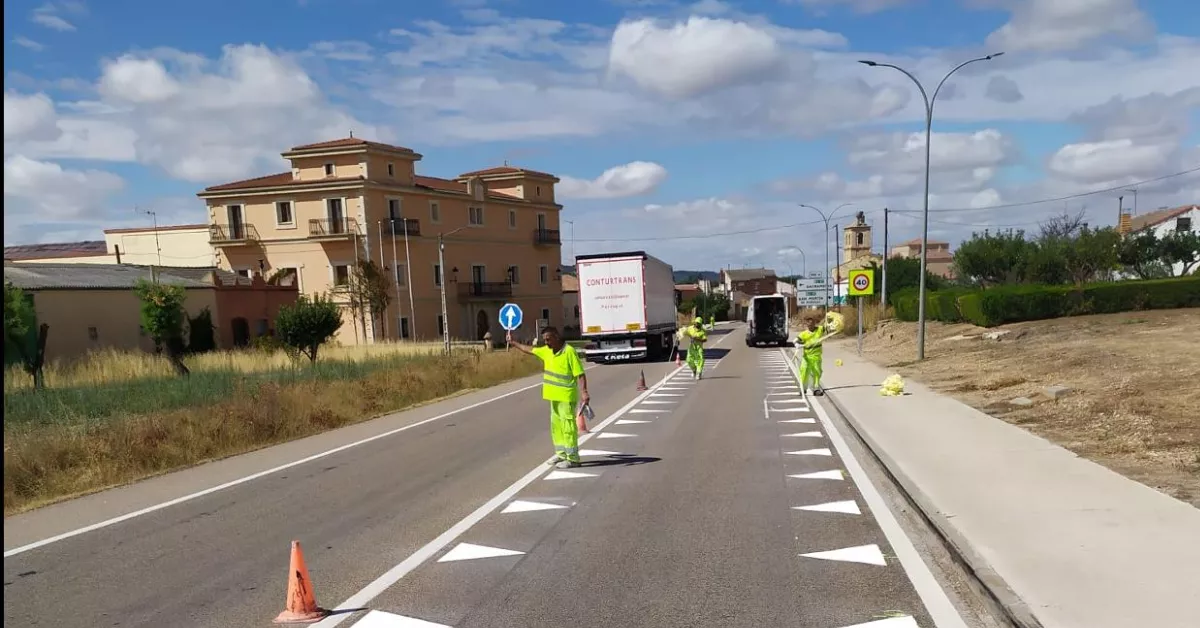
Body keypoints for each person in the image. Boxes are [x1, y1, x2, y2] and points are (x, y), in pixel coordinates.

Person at [508, 326, 590, 468]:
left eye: (548, 339)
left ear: (556, 336)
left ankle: (573, 459)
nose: (546, 342)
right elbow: (530, 350)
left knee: (568, 427)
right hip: (553, 396)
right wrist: (513, 342)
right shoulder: (547, 351)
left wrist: (584, 392)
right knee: (556, 427)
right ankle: (561, 454)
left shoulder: (568, 351)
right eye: (545, 340)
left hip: (566, 397)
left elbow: (580, 374)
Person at [796, 315, 826, 396]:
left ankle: (816, 389)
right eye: (808, 324)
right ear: (806, 325)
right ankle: (803, 388)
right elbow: (797, 340)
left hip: (816, 357)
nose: (810, 325)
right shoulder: (804, 334)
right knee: (804, 371)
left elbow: (828, 328)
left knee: (817, 372)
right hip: (806, 357)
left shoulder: (819, 330)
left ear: (814, 323)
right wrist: (797, 344)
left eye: (812, 324)